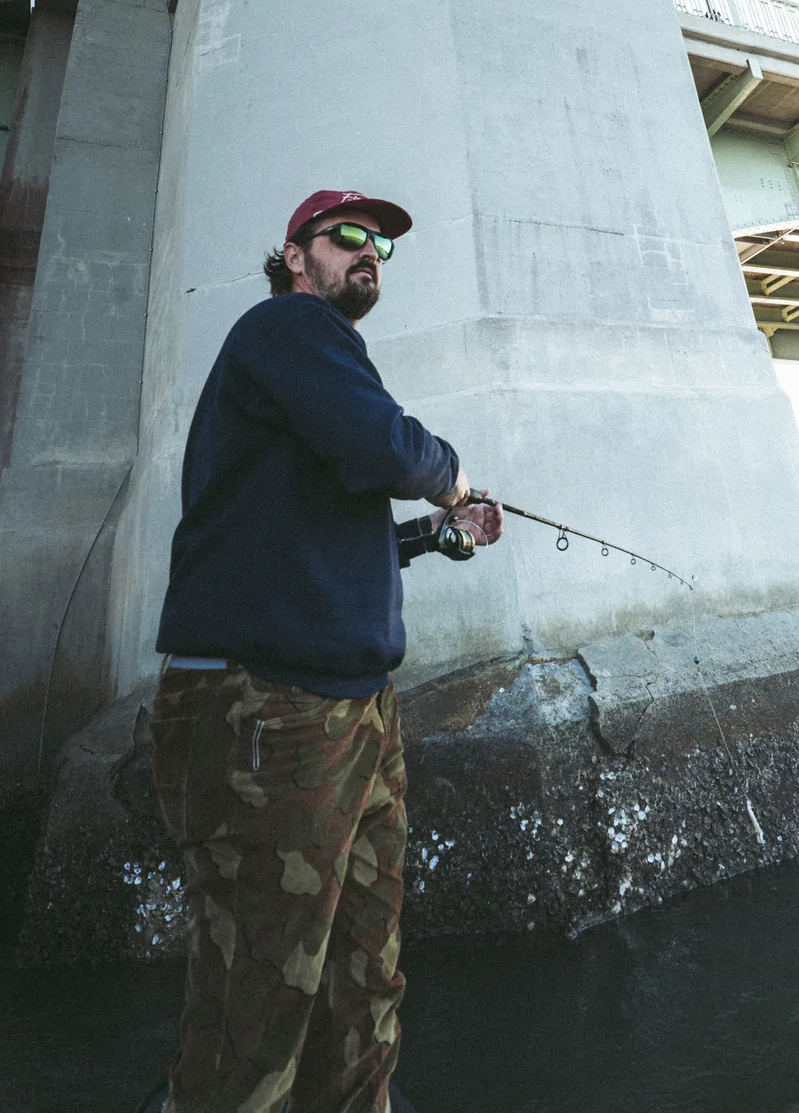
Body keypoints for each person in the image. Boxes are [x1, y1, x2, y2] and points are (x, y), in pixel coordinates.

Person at [150, 189, 503, 1113]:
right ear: (295, 256)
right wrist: (456, 477)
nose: (370, 250)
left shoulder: (313, 378)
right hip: (267, 708)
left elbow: (328, 534)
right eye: (347, 236)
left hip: (354, 709)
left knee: (364, 976)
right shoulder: (285, 327)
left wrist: (434, 535)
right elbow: (386, 445)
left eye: (381, 241)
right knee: (258, 994)